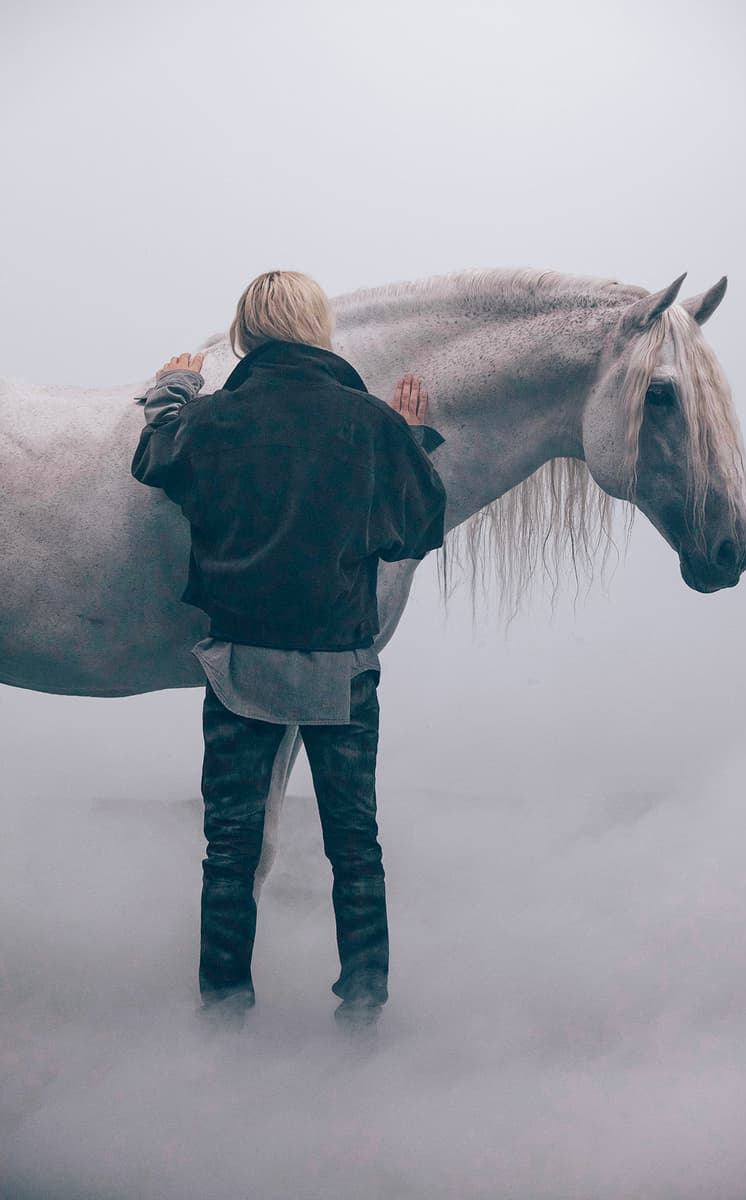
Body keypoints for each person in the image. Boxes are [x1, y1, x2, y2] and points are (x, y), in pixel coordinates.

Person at [130, 270, 447, 1036]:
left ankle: (224, 1013)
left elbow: (152, 460)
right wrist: (409, 440)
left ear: (246, 333)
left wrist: (173, 388)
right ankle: (363, 1011)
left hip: (241, 668)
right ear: (318, 329)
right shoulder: (371, 424)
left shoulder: (213, 420)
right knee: (356, 850)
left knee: (231, 853)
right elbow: (418, 530)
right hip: (342, 670)